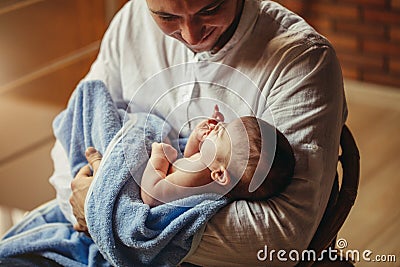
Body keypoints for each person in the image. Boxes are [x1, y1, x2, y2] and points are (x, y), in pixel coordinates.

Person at [2, 0, 347, 265]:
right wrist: (82, 202)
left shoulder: (303, 60)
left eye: (209, 8)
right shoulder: (134, 18)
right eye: (166, 17)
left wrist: (106, 215)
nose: (191, 35)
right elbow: (78, 134)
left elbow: (280, 236)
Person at [140, 115, 295, 207]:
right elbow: (189, 159)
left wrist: (158, 156)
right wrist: (195, 137)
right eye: (225, 125)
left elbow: (151, 196)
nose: (217, 126)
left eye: (219, 133)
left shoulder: (198, 175)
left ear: (220, 175)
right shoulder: (211, 166)